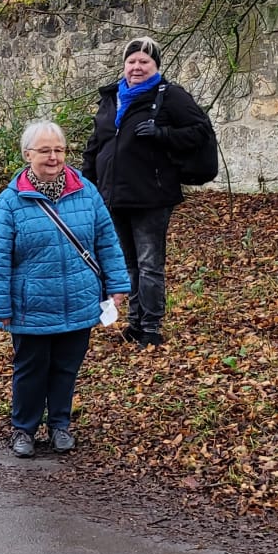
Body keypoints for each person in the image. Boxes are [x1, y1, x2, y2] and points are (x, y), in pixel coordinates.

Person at [0, 119, 130, 456]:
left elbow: (107, 242)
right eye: (45, 151)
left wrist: (117, 285)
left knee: (66, 368)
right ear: (27, 155)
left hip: (79, 299)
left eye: (59, 150)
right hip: (32, 306)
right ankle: (23, 430)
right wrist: (0, 306)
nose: (53, 157)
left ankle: (60, 425)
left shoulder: (86, 191)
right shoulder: (11, 201)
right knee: (30, 370)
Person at [79, 37, 216, 348]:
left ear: (156, 66)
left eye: (144, 61)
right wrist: (88, 186)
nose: (137, 67)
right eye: (132, 61)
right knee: (127, 264)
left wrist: (162, 133)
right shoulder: (112, 98)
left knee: (149, 264)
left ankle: (151, 328)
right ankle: (135, 322)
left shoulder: (169, 96)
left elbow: (200, 131)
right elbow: (96, 145)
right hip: (113, 196)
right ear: (124, 65)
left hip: (151, 195)